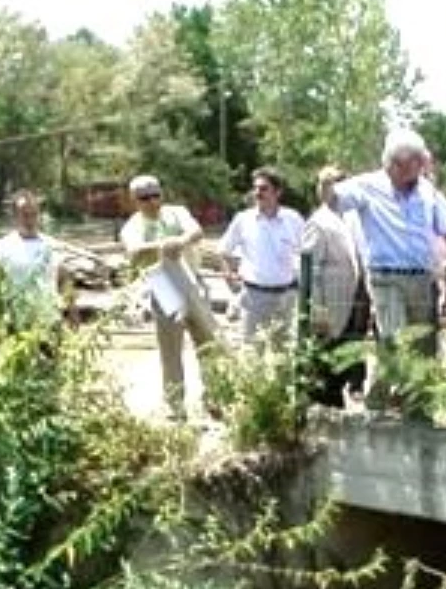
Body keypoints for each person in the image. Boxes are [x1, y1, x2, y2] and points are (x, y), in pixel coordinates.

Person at [328, 128, 446, 357]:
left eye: (418, 162)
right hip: (385, 277)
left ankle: (410, 392)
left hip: (422, 278)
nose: (414, 169)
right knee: (396, 344)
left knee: (424, 350)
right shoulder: (367, 185)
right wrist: (327, 185)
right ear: (392, 163)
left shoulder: (427, 190)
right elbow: (333, 199)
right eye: (405, 164)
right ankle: (392, 390)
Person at [119, 174, 218, 420]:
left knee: (208, 342)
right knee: (171, 351)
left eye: (156, 195)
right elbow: (133, 250)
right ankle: (176, 407)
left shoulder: (177, 212)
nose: (152, 202)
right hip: (163, 286)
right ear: (135, 200)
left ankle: (216, 397)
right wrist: (162, 246)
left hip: (192, 281)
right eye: (145, 198)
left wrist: (180, 241)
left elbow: (196, 231)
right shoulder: (133, 225)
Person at [302, 166, 368, 407]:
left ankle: (337, 401)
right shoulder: (318, 222)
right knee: (324, 362)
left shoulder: (351, 219)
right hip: (330, 304)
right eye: (331, 185)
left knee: (346, 355)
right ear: (322, 189)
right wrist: (318, 311)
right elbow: (311, 271)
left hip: (352, 301)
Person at [220, 166, 305, 348]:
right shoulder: (243, 219)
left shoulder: (293, 219)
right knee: (252, 352)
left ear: (278, 192)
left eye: (264, 188)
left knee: (283, 354)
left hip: (286, 296)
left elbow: (306, 252)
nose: (258, 193)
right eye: (256, 188)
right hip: (254, 296)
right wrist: (228, 274)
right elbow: (224, 250)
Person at [0, 190, 70, 334]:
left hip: (48, 321)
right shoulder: (2, 248)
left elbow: (63, 280)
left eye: (34, 214)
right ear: (15, 217)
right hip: (17, 322)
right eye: (25, 215)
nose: (30, 220)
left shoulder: (51, 246)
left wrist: (72, 310)